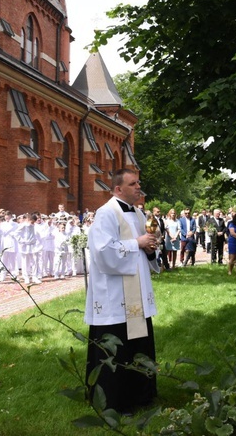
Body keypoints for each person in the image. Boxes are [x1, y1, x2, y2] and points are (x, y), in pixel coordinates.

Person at [85, 168, 160, 414]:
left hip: (136, 294)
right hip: (115, 296)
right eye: (133, 183)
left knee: (137, 345)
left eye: (139, 182)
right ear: (118, 189)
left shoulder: (138, 213)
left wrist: (149, 249)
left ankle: (141, 395)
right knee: (117, 347)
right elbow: (103, 252)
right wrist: (136, 243)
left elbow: (142, 249)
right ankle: (115, 401)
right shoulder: (106, 214)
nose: (139, 187)